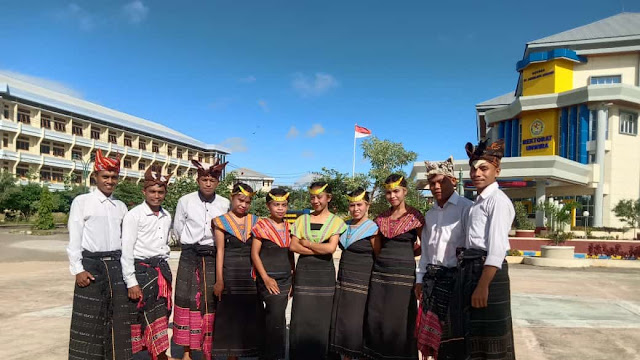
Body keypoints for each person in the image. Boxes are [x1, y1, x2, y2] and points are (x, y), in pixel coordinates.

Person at [67, 149, 134, 360]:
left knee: (117, 319)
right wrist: (78, 269)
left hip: (115, 266)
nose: (110, 181)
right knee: (90, 321)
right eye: (105, 176)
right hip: (91, 266)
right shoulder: (82, 202)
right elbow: (74, 238)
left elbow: (126, 243)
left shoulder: (121, 207)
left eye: (114, 177)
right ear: (95, 177)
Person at [459, 139, 516, 360]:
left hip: (488, 274)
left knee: (492, 338)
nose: (477, 173)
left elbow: (497, 249)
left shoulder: (498, 201)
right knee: (475, 335)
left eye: (484, 168)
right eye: (474, 169)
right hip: (472, 269)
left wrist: (483, 286)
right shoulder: (476, 203)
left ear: (497, 171)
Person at [414, 157, 473, 360]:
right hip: (432, 282)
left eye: (441, 181)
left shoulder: (467, 209)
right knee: (430, 340)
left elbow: (472, 249)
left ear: (453, 181)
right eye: (432, 183)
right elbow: (426, 252)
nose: (436, 186)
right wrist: (420, 280)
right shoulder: (429, 215)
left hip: (456, 283)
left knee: (452, 339)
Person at [172, 159, 230, 360]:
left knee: (210, 303)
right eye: (204, 179)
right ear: (198, 180)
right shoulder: (185, 201)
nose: (208, 183)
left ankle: (208, 352)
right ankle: (187, 353)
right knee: (187, 301)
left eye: (212, 180)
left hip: (213, 256)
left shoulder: (224, 203)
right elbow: (178, 229)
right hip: (189, 256)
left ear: (218, 182)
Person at [363, 174, 425, 360]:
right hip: (381, 274)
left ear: (405, 191)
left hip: (404, 276)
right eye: (388, 192)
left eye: (396, 191)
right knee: (377, 316)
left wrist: (407, 255)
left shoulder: (415, 216)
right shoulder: (380, 219)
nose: (392, 196)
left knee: (400, 318)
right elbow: (377, 248)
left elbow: (426, 246)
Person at [289, 181, 347, 360]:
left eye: (319, 197)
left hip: (324, 275)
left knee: (323, 317)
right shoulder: (302, 220)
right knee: (301, 316)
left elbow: (331, 249)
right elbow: (293, 246)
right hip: (304, 273)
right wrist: (316, 248)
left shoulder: (336, 222)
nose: (315, 201)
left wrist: (307, 243)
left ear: (328, 198)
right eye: (312, 197)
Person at [121, 166, 174, 360]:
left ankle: (160, 355)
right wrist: (131, 281)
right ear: (144, 191)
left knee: (163, 313)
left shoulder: (167, 216)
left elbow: (165, 244)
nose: (157, 195)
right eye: (152, 191)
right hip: (141, 271)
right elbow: (126, 250)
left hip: (161, 272)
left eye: (161, 192)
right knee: (140, 317)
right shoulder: (133, 215)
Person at [211, 183, 263, 359]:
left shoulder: (255, 221)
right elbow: (220, 251)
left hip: (249, 275)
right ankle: (231, 356)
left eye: (247, 202)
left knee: (248, 316)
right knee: (230, 316)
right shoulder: (221, 221)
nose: (243, 205)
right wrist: (219, 280)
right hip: (230, 273)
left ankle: (246, 353)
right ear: (232, 198)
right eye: (240, 200)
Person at [329, 188, 378, 360]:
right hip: (343, 281)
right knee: (342, 321)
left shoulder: (372, 228)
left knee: (356, 323)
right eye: (352, 205)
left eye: (359, 204)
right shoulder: (344, 226)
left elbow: (377, 255)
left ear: (367, 206)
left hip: (362, 283)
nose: (356, 208)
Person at [251, 188, 296, 360]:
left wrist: (294, 276)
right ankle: (272, 354)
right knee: (275, 317)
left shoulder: (289, 227)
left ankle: (270, 354)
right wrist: (266, 278)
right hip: (267, 278)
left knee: (276, 317)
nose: (280, 208)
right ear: (268, 206)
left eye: (284, 205)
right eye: (276, 205)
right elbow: (255, 254)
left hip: (285, 278)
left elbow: (290, 253)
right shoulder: (261, 226)